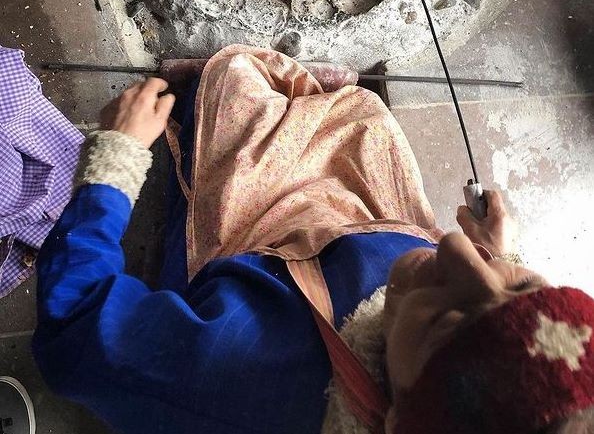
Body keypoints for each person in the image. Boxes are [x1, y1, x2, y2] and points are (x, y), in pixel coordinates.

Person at [32, 46, 594, 434]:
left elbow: (78, 323)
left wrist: (118, 156)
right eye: (524, 289)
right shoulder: (445, 318)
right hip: (364, 232)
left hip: (274, 261)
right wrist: (504, 256)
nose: (456, 248)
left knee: (235, 82)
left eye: (447, 322)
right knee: (362, 114)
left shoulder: (233, 374)